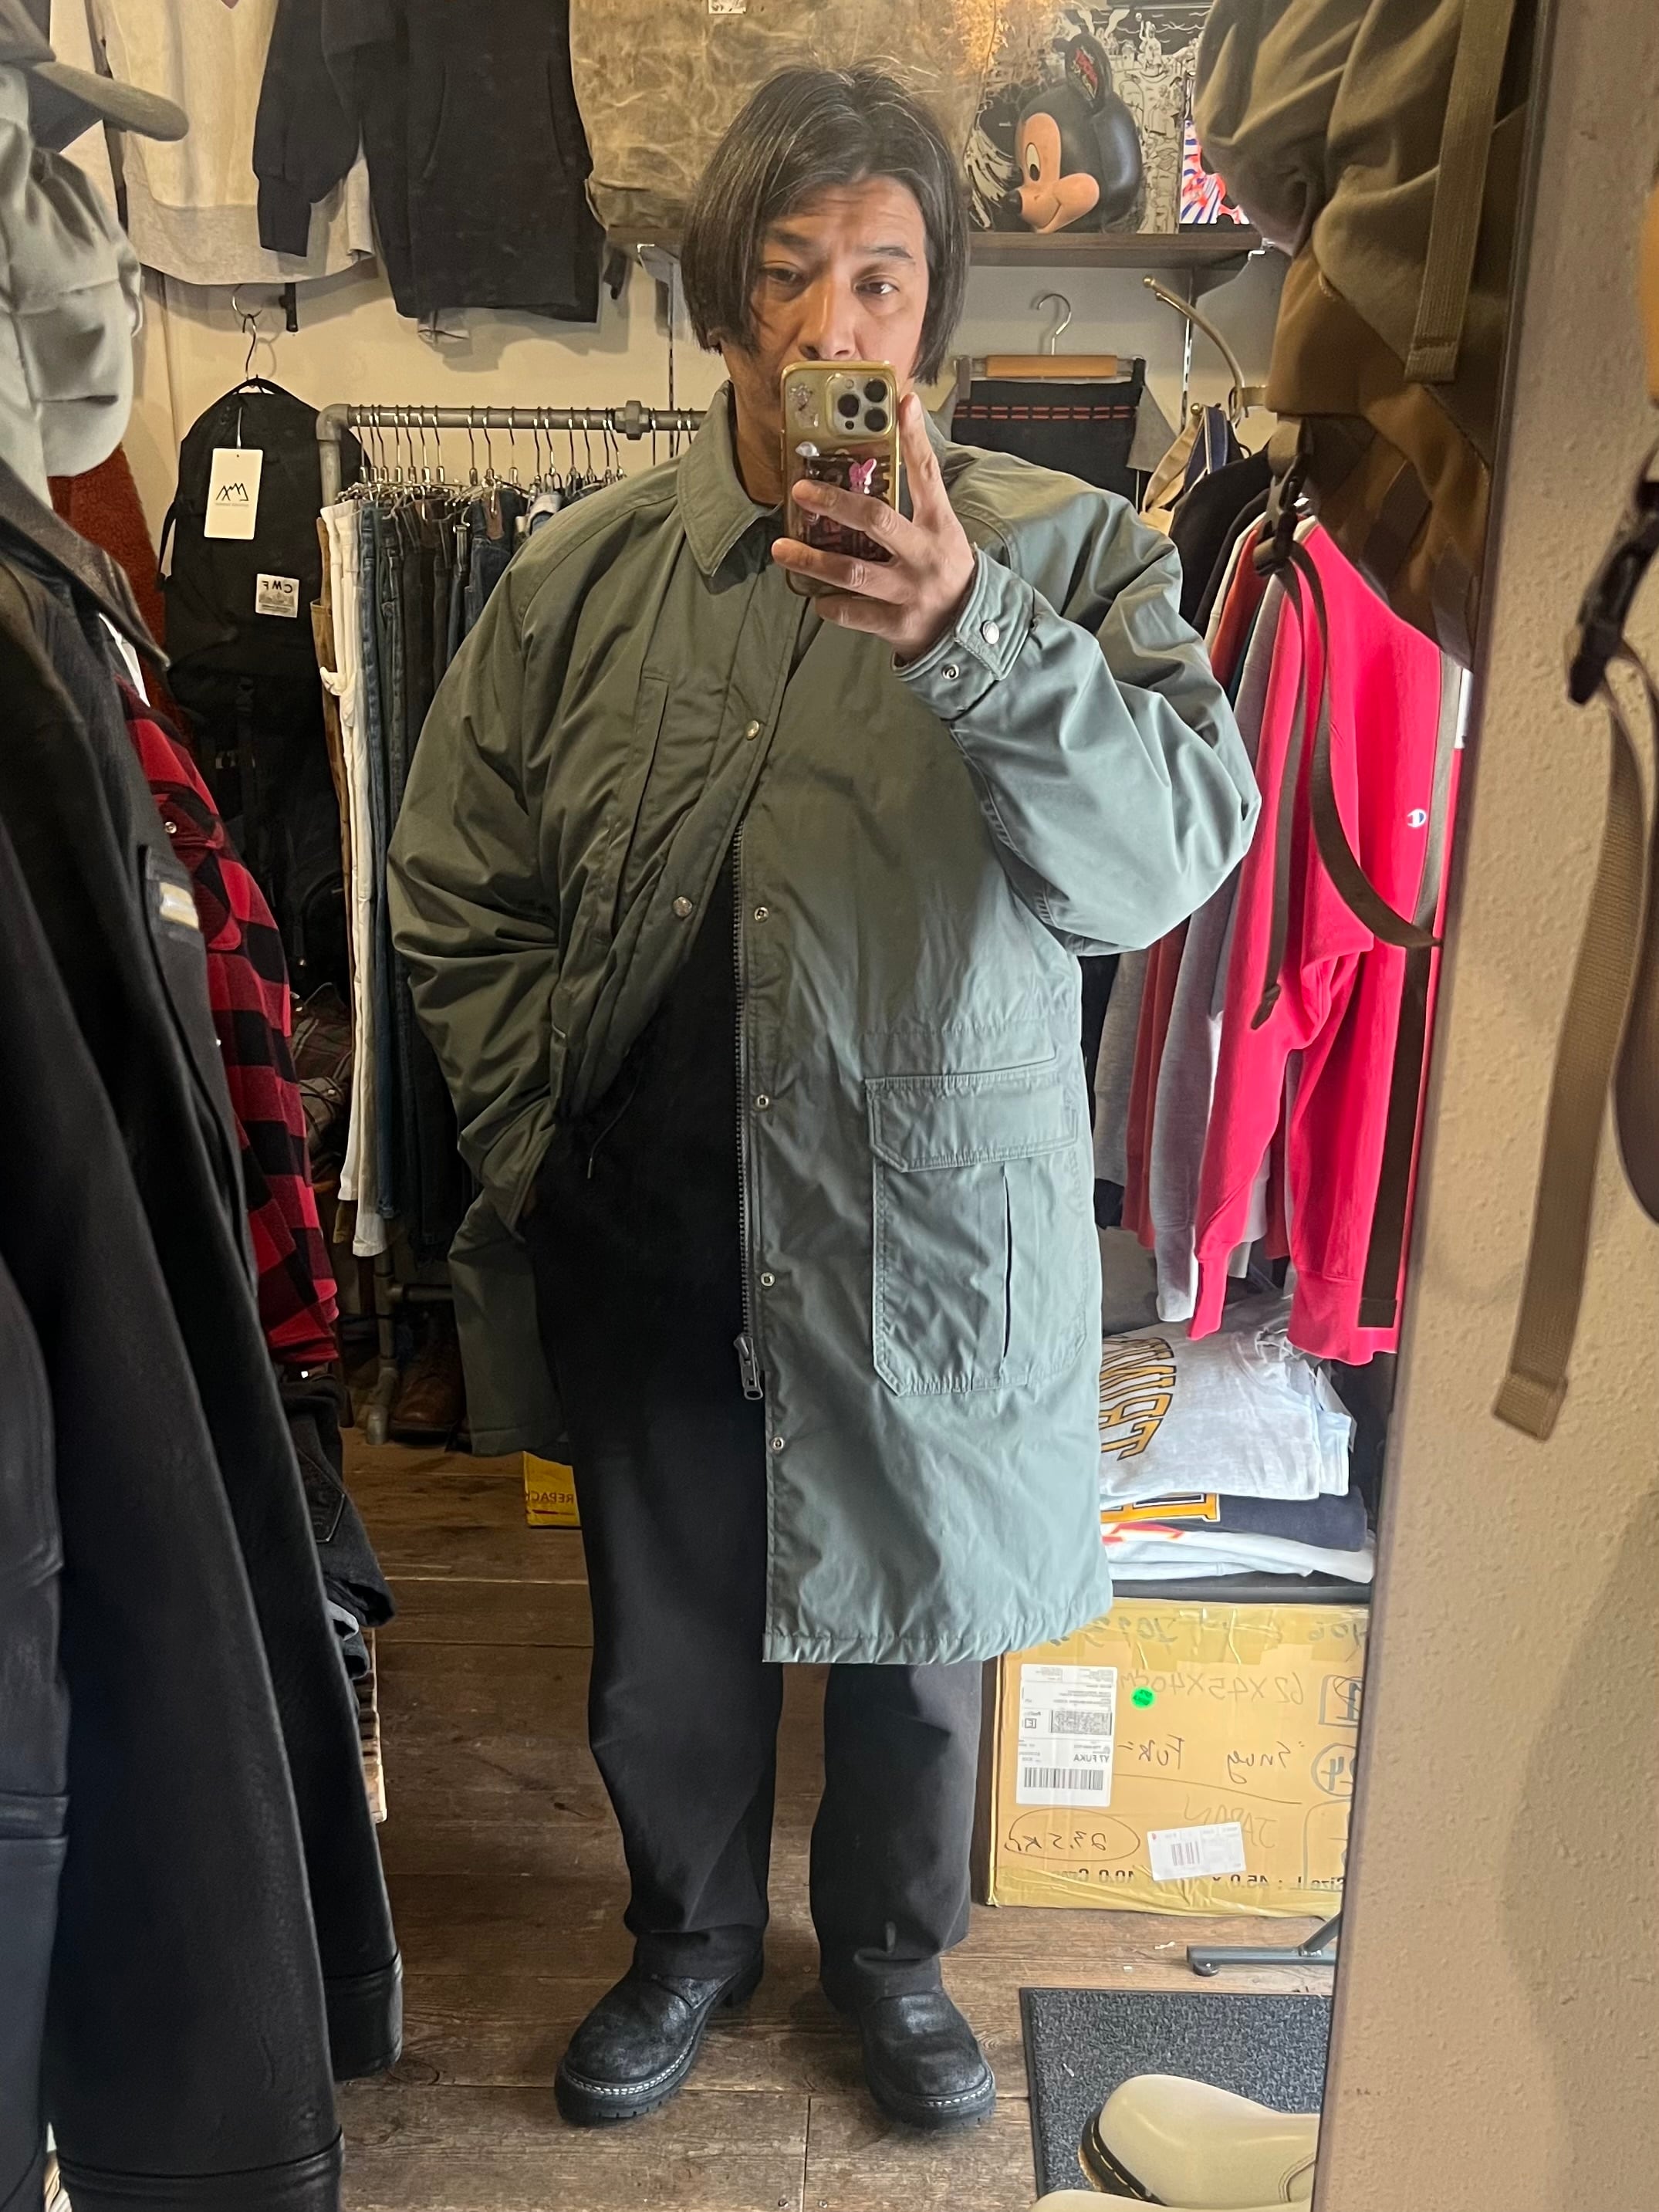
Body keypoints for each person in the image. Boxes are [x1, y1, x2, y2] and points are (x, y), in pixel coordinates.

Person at [390, 65, 1258, 2137]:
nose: (832, 327)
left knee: (926, 1634)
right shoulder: (585, 576)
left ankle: (890, 1960)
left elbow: (1171, 853)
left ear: (931, 308)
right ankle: (686, 1941)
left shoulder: (1073, 558)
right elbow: (451, 880)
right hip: (656, 1210)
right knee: (664, 1638)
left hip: (930, 1222)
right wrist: (533, 1138)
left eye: (880, 279)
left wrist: (970, 637)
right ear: (724, 308)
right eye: (788, 276)